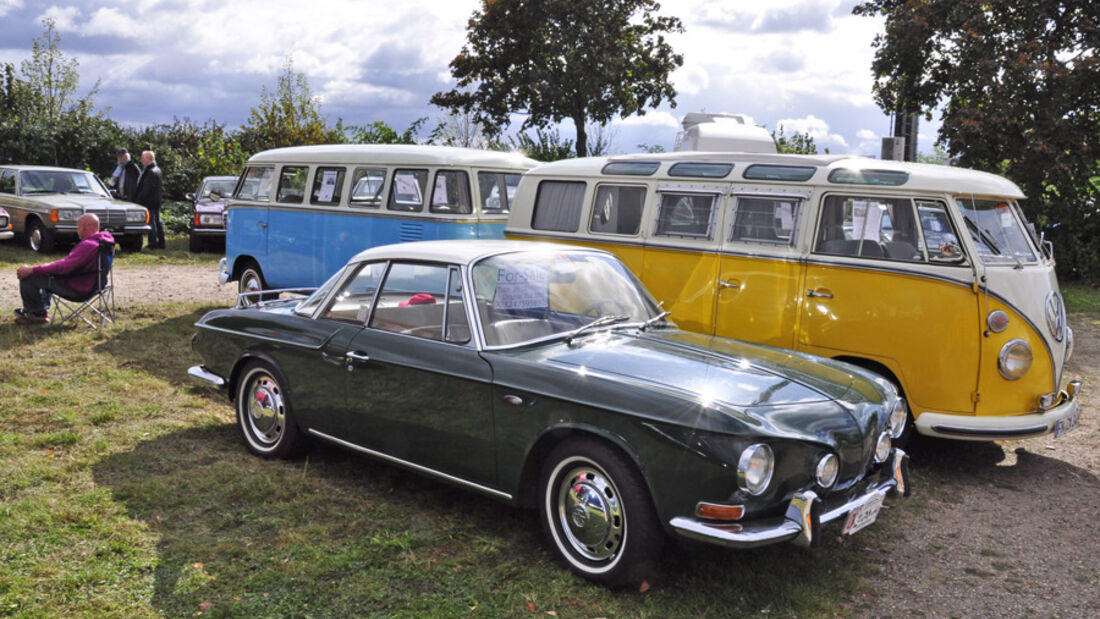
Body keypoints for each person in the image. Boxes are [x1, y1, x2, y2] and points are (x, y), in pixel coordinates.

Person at [14, 214, 114, 325]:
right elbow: (68, 265)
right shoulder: (104, 242)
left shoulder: (88, 245)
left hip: (78, 289)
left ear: (84, 227)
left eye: (78, 227)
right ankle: (41, 310)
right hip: (95, 286)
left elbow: (64, 267)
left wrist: (32, 269)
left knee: (29, 276)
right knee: (46, 272)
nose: (77, 230)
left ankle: (36, 314)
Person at [134, 150, 164, 249]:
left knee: (151, 222)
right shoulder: (157, 169)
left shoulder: (150, 171)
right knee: (157, 221)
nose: (141, 160)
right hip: (156, 200)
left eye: (143, 158)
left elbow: (147, 189)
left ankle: (153, 243)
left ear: (148, 159)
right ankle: (161, 242)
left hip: (150, 201)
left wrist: (138, 200)